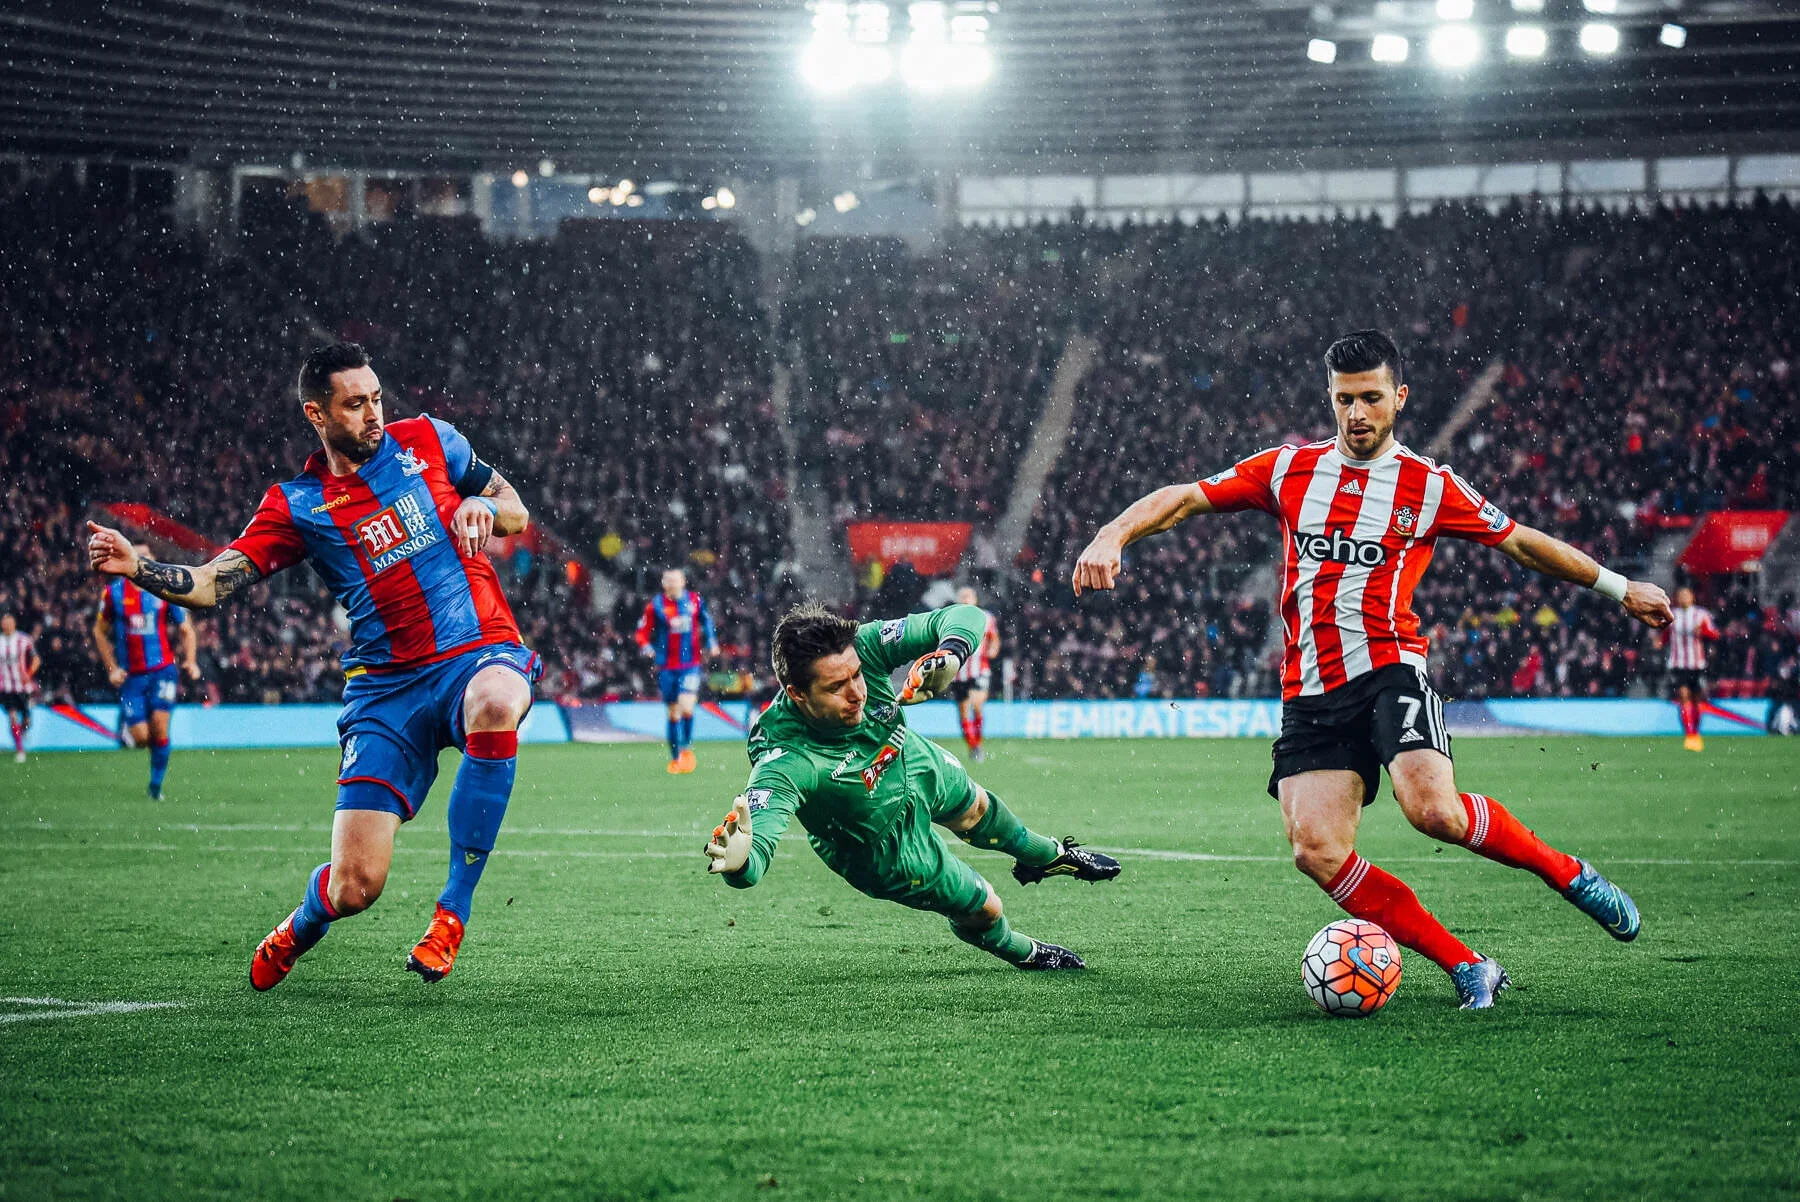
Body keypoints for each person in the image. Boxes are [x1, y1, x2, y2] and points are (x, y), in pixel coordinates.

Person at [1072, 329, 1673, 1009]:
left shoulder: (1428, 485)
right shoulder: (1287, 469)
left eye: (1371, 398)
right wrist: (1110, 533)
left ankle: (1569, 875)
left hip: (1391, 669)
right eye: (1344, 399)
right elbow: (1182, 498)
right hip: (1309, 693)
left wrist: (1622, 589)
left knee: (1434, 811)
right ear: (1330, 399)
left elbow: (1523, 545)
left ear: (1399, 398)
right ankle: (1468, 964)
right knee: (1316, 850)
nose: (1357, 413)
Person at [86, 341, 538, 990]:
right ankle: (301, 925)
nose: (374, 414)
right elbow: (215, 582)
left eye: (377, 397)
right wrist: (140, 568)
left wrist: (485, 508)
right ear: (317, 415)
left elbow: (515, 510)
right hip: (386, 692)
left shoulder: (431, 441)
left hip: (478, 650)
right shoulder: (297, 506)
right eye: (356, 405)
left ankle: (451, 914)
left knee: (496, 701)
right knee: (356, 887)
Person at [702, 601, 1120, 970]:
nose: (857, 693)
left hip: (908, 759)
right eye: (835, 687)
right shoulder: (786, 759)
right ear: (796, 693)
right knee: (988, 907)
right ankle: (1022, 951)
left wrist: (951, 655)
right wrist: (741, 865)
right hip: (881, 843)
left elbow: (965, 616)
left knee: (976, 809)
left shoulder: (863, 646)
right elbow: (753, 858)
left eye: (857, 676)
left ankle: (1046, 856)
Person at [91, 547, 200, 798]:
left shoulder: (163, 591)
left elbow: (186, 629)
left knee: (160, 729)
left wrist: (191, 660)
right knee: (141, 738)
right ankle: (132, 730)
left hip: (162, 671)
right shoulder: (113, 593)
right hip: (131, 677)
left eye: (146, 556)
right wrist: (112, 668)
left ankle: (155, 785)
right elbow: (99, 631)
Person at [635, 567, 718, 774]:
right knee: (673, 713)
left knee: (686, 705)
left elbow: (706, 621)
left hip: (690, 665)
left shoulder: (694, 601)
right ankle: (674, 758)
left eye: (675, 580)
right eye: (668, 580)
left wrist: (712, 641)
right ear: (664, 584)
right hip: (666, 667)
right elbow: (642, 632)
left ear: (683, 581)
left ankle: (686, 749)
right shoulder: (656, 605)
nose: (671, 584)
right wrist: (646, 647)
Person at [1662, 586, 1719, 751]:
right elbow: (1666, 635)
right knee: (1684, 696)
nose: (1684, 598)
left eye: (1686, 595)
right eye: (1681, 595)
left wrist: (1704, 631)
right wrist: (1659, 642)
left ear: (1692, 597)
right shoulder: (1673, 615)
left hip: (1697, 664)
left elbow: (1715, 634)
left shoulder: (1701, 614)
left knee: (1697, 700)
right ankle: (1689, 735)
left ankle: (1695, 732)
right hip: (1678, 664)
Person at [948, 586, 1001, 762]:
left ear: (975, 599)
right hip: (958, 672)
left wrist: (993, 650)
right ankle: (973, 746)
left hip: (980, 669)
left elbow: (994, 639)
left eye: (968, 596)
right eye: (961, 597)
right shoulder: (950, 619)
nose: (965, 599)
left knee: (977, 703)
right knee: (963, 711)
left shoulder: (986, 618)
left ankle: (977, 744)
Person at [0, 613, 39, 764]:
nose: (7, 625)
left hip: (22, 687)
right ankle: (20, 749)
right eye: (5, 622)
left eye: (9, 622)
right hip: (6, 687)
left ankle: (21, 733)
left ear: (14, 623)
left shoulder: (24, 640)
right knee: (12, 716)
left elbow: (36, 659)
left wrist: (29, 674)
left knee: (27, 720)